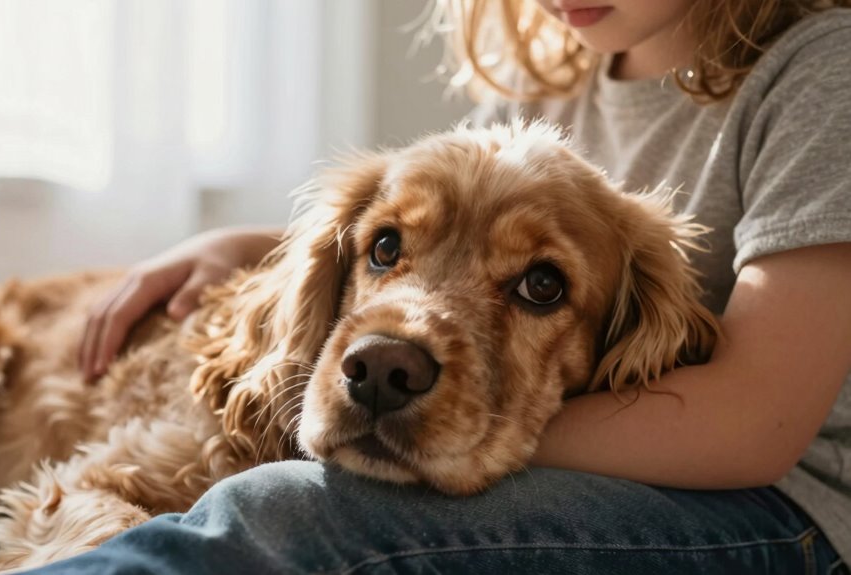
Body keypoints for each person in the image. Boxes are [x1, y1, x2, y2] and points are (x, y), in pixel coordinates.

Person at [57, 0, 851, 572]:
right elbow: (439, 245)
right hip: (607, 464)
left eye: (540, 284)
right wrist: (253, 244)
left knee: (289, 509)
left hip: (772, 514)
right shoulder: (550, 88)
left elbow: (756, 422)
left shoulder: (824, 73)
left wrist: (479, 423)